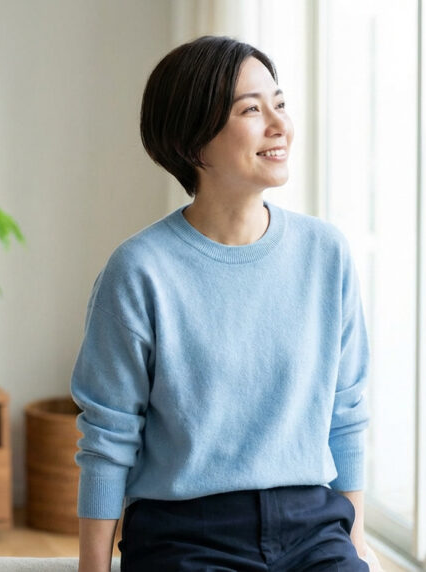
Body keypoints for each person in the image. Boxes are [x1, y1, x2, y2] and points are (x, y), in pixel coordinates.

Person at [71, 35, 384, 572]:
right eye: (251, 110)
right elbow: (108, 435)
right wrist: (93, 569)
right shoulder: (140, 270)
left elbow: (345, 412)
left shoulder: (325, 253)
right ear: (194, 143)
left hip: (312, 525)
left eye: (279, 104)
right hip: (185, 532)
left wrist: (352, 538)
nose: (279, 125)